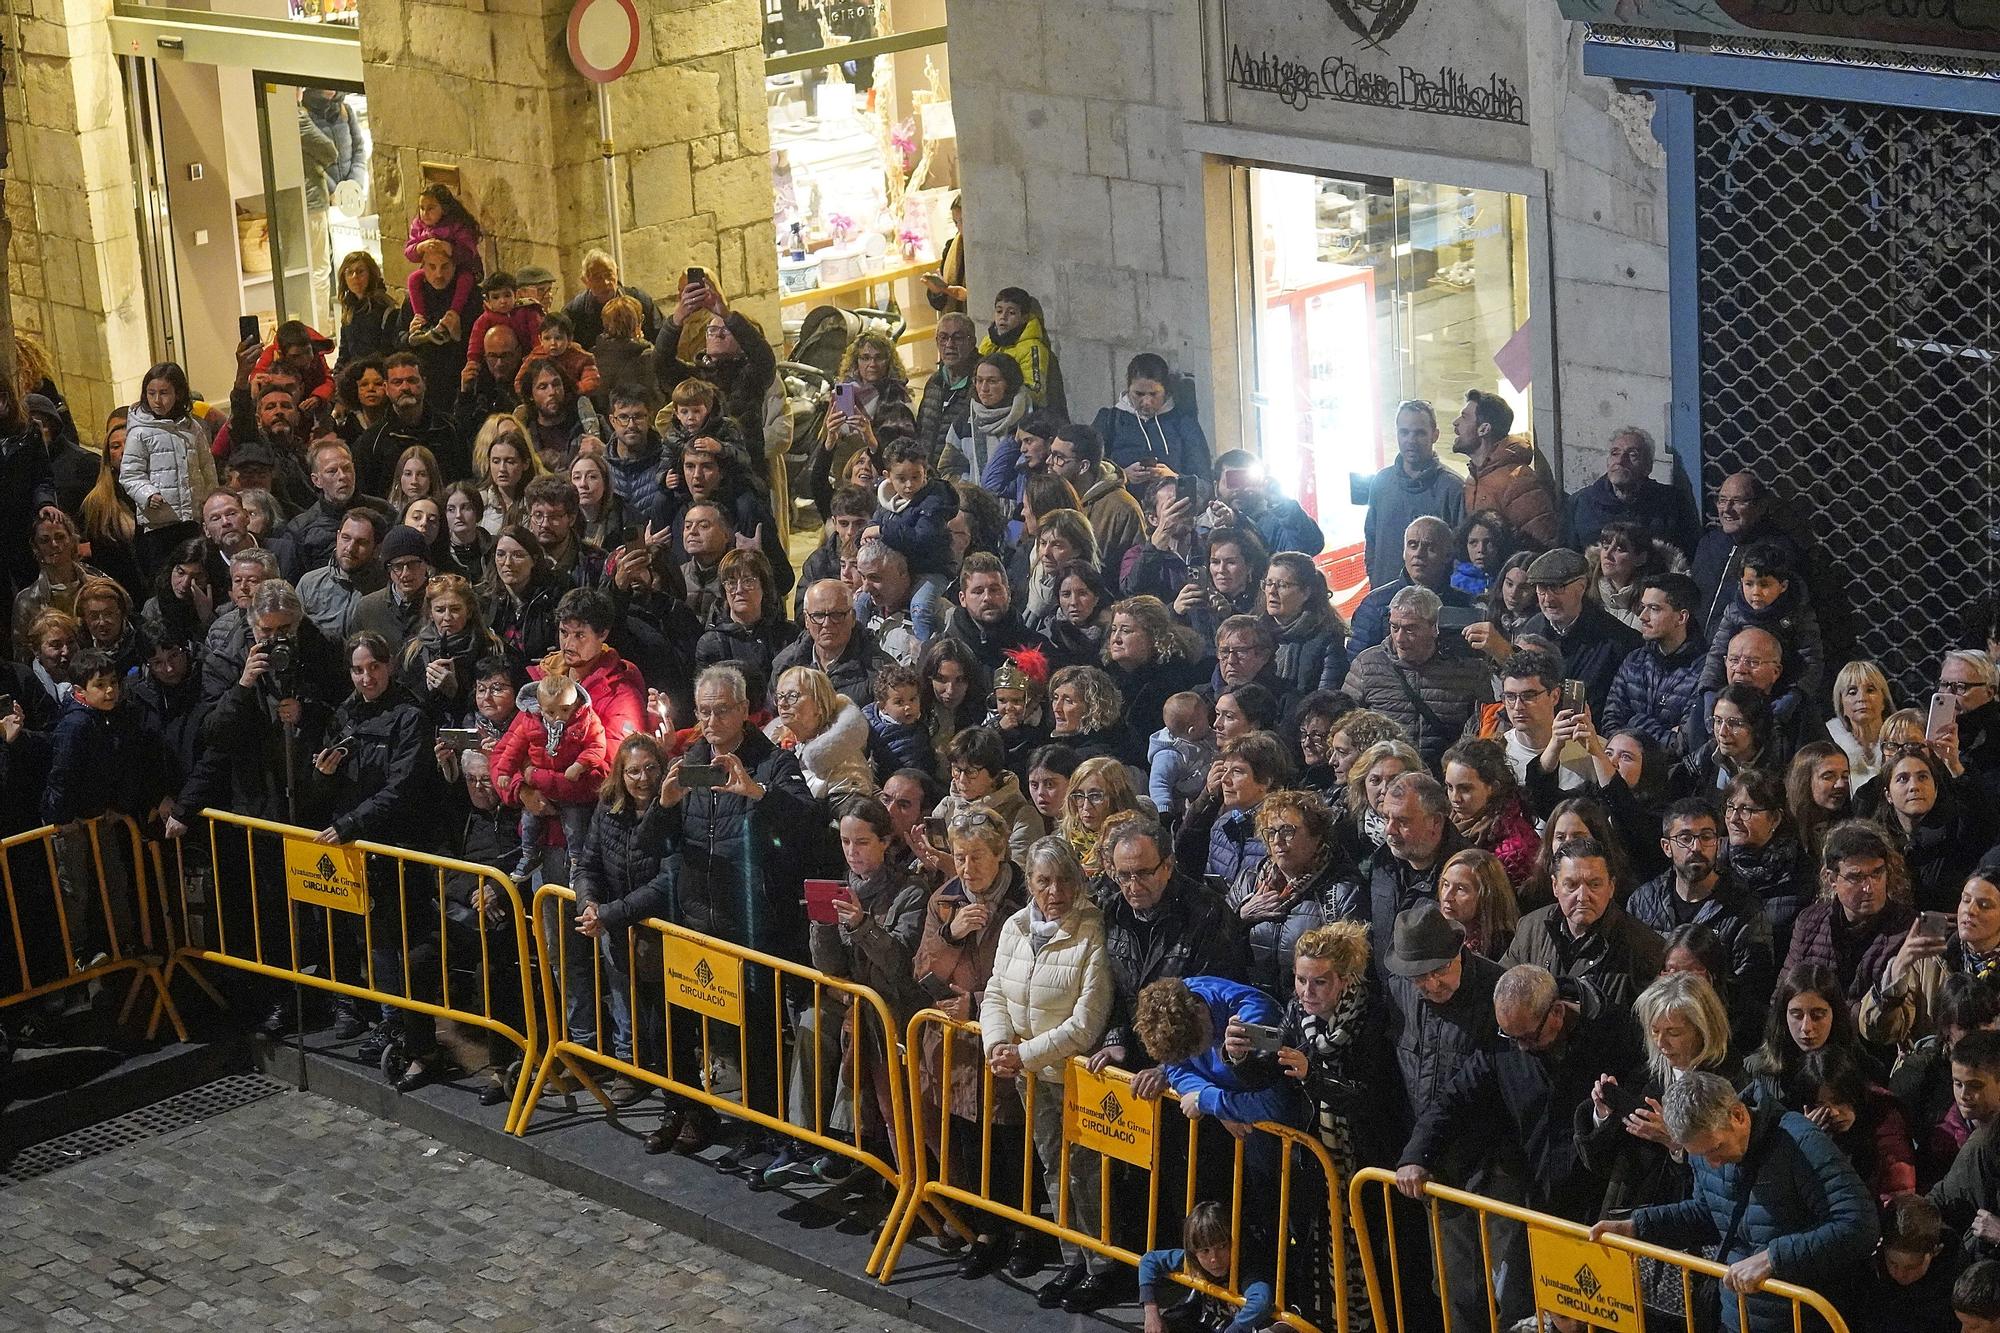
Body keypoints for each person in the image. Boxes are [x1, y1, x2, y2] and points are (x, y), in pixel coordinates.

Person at [1592, 1072, 1879, 1333]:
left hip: (1804, 1318)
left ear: (1739, 1115)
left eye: (1716, 1148)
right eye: (1700, 1155)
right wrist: (1636, 1226)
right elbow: (1708, 1212)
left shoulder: (1801, 1142)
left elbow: (1859, 1225)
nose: (1712, 1163)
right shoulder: (1705, 1149)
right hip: (1737, 1317)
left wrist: (1772, 1258)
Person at [981, 836, 1115, 1306]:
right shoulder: (1015, 927)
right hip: (1032, 1076)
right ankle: (1071, 1259)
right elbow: (995, 991)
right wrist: (997, 1044)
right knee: (1052, 1168)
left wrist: (1024, 1054)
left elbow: (1086, 1022)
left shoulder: (1091, 931)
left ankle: (1101, 1266)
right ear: (1030, 884)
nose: (1054, 891)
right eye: (1043, 881)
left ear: (1077, 882)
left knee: (1086, 1172)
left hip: (1077, 1077)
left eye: (1062, 881)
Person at [309, 630, 444, 1089]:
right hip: (360, 849)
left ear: (388, 666)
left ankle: (420, 1040)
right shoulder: (344, 714)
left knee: (410, 948)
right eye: (358, 669)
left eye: (374, 668)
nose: (366, 678)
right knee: (377, 943)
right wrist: (324, 775)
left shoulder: (410, 715)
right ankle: (392, 1023)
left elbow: (402, 789)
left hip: (400, 846)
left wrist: (351, 823)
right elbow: (331, 786)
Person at [911, 804, 1030, 1276]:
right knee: (970, 1139)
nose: (966, 867)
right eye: (959, 856)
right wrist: (950, 934)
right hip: (957, 1050)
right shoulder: (944, 899)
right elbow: (921, 971)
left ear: (1000, 854)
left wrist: (979, 1004)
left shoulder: (1025, 899)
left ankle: (1024, 1232)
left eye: (977, 856)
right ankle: (986, 1229)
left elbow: (1031, 977)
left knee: (1011, 1143)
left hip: (1006, 1042)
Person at [566, 732, 675, 1116]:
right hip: (615, 923)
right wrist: (590, 904)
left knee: (663, 1012)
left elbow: (667, 879)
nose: (643, 778)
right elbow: (588, 863)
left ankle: (669, 1079)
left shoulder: (673, 809)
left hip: (661, 926)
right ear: (619, 774)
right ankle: (629, 1067)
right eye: (633, 771)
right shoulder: (608, 807)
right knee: (623, 998)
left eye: (650, 769)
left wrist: (611, 913)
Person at [1629, 797, 1776, 1050]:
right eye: (1685, 838)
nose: (1696, 847)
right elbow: (1635, 979)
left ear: (1718, 844)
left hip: (1718, 1038)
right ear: (1666, 847)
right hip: (1655, 1036)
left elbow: (1750, 991)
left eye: (1706, 837)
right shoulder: (1642, 902)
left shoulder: (1744, 909)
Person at [1503, 835, 1666, 1007]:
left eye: (1594, 884)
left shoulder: (1645, 948)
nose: (1582, 897)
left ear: (1611, 887)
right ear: (1555, 886)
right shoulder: (1530, 928)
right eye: (1571, 885)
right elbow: (1505, 991)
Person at [1341, 585, 1491, 769]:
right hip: (1384, 774)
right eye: (1394, 627)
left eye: (1410, 629)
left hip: (1446, 776)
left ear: (1434, 627)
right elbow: (1345, 724)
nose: (1399, 638)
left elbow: (1485, 723)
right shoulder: (1367, 664)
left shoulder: (1467, 669)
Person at [490, 659, 608, 886]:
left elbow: (598, 747)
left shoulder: (586, 720)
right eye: (551, 711)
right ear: (540, 707)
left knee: (575, 829)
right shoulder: (530, 721)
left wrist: (580, 764)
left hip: (572, 792)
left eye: (565, 710)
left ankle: (577, 865)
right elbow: (511, 748)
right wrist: (509, 775)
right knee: (529, 822)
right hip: (539, 794)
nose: (558, 717)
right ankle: (529, 856)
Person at [1861, 868, 2000, 1050]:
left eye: (1984, 905)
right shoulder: (1930, 959)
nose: (1970, 910)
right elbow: (1879, 1032)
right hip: (1935, 1068)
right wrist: (1898, 968)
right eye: (1965, 900)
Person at [1227, 789, 1349, 998]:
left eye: (1287, 831)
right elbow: (1217, 945)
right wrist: (1240, 917)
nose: (1277, 840)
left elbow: (1348, 969)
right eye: (1271, 832)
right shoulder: (1249, 881)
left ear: (1316, 834)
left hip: (1310, 1010)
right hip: (1250, 1006)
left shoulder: (1340, 891)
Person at [655, 276, 777, 473]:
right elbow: (661, 364)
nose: (718, 335)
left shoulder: (749, 376)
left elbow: (764, 358)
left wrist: (727, 316)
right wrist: (678, 318)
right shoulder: (694, 376)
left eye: (726, 331)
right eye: (712, 330)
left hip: (742, 472)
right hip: (697, 473)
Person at [1785, 820, 1917, 1000]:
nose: (1869, 888)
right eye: (1856, 877)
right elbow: (1784, 997)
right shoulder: (1809, 923)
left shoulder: (1907, 929)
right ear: (1831, 879)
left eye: (1877, 873)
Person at [1513, 547, 1642, 717]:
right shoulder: (1531, 630)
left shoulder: (1618, 640)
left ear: (1581, 587)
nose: (1548, 599)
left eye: (1558, 588)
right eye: (1542, 589)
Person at [1364, 398, 1465, 588]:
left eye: (1419, 433)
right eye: (1404, 432)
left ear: (1434, 435)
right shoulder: (1381, 483)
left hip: (1435, 601)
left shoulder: (1452, 488)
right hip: (1386, 598)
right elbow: (1371, 539)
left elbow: (1463, 553)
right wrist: (1376, 581)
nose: (1411, 440)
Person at [1602, 572, 1706, 756]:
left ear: (1681, 617)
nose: (1643, 616)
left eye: (1654, 608)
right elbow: (1610, 725)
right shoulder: (1634, 661)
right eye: (1643, 607)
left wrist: (1635, 721)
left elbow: (1683, 746)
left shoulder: (1704, 671)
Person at [1562, 425, 1700, 558]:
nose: (1620, 461)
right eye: (1615, 453)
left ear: (1648, 467)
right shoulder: (1581, 502)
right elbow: (1568, 560)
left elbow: (1688, 555)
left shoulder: (1671, 503)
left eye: (1632, 454)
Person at [1135, 1202, 1273, 1333]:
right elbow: (1149, 1260)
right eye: (1205, 1250)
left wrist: (1235, 1329)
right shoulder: (1194, 1261)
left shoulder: (1243, 1271)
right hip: (1206, 1322)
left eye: (1222, 1246)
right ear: (1194, 1251)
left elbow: (1261, 1300)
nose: (1214, 1259)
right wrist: (1151, 1310)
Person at [1347, 516, 1473, 656]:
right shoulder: (1376, 604)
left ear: (1448, 555)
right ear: (1404, 552)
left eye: (1430, 547)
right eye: (1412, 545)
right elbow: (1357, 663)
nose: (1419, 554)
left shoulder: (1463, 604)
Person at [122, 362, 217, 545]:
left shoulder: (191, 428)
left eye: (164, 393)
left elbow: (206, 467)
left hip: (192, 518)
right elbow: (130, 474)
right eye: (152, 393)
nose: (157, 400)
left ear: (178, 393)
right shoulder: (140, 432)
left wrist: (210, 500)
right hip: (159, 522)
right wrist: (148, 494)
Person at [1453, 390, 1557, 547]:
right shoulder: (1471, 481)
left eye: (1464, 417)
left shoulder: (1519, 480)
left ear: (1484, 429)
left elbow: (1543, 545)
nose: (1456, 422)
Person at [1046, 422, 1145, 582]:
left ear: (1083, 466)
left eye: (1059, 457)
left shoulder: (1123, 509)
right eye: (1050, 454)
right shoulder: (1053, 496)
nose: (1049, 462)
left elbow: (1135, 573)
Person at [1095, 352, 1212, 483]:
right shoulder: (1109, 419)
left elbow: (1203, 476)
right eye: (1139, 394)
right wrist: (1122, 475)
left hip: (1171, 501)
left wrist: (1174, 478)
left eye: (1153, 394)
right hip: (1122, 501)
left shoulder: (1183, 421)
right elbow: (1088, 471)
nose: (1146, 401)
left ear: (1165, 391)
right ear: (1128, 389)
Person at [1440, 740, 1539, 890]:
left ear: (1493, 787)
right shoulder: (1444, 822)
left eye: (1465, 789)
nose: (1455, 798)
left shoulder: (1515, 849)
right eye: (1449, 787)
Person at [1852, 1194, 1957, 1333]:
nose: (1900, 1274)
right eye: (1893, 1263)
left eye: (1912, 1267)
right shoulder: (1868, 1274)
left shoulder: (1954, 1278)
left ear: (1935, 1252)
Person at [1262, 551, 1349, 696]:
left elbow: (1327, 696)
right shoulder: (1255, 631)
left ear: (1306, 593)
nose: (1272, 591)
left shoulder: (1327, 637)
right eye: (1268, 583)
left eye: (1282, 585)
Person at [297, 508, 384, 643]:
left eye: (361, 542)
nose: (350, 548)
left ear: (377, 548)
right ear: (337, 537)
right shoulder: (310, 583)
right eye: (346, 538)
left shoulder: (386, 588)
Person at [563, 248, 660, 350]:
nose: (605, 282)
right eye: (597, 277)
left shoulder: (638, 300)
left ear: (617, 273)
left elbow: (660, 337)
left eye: (609, 275)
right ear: (585, 280)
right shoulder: (576, 311)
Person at [915, 313, 978, 466]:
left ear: (972, 342)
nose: (949, 344)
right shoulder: (934, 382)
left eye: (958, 338)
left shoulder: (979, 383)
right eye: (943, 338)